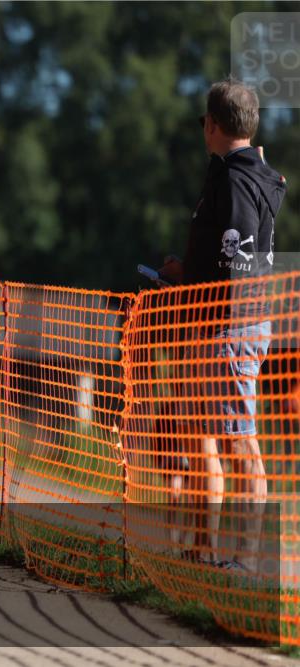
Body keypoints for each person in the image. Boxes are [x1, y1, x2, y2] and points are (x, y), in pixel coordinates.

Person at [160, 79, 286, 570]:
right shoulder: (233, 174)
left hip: (228, 326)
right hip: (218, 322)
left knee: (238, 440)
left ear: (213, 125)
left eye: (203, 122)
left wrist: (209, 305)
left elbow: (238, 258)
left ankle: (247, 560)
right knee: (204, 434)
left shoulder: (235, 180)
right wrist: (184, 274)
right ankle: (203, 546)